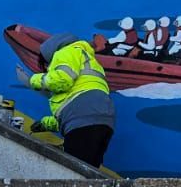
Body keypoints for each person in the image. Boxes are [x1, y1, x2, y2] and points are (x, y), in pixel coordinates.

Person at [17, 33, 116, 167]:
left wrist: (33, 80)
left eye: (46, 66)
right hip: (103, 120)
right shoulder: (87, 59)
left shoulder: (65, 52)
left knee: (75, 171)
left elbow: (63, 79)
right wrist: (46, 124)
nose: (47, 70)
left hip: (84, 117)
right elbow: (74, 116)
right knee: (89, 171)